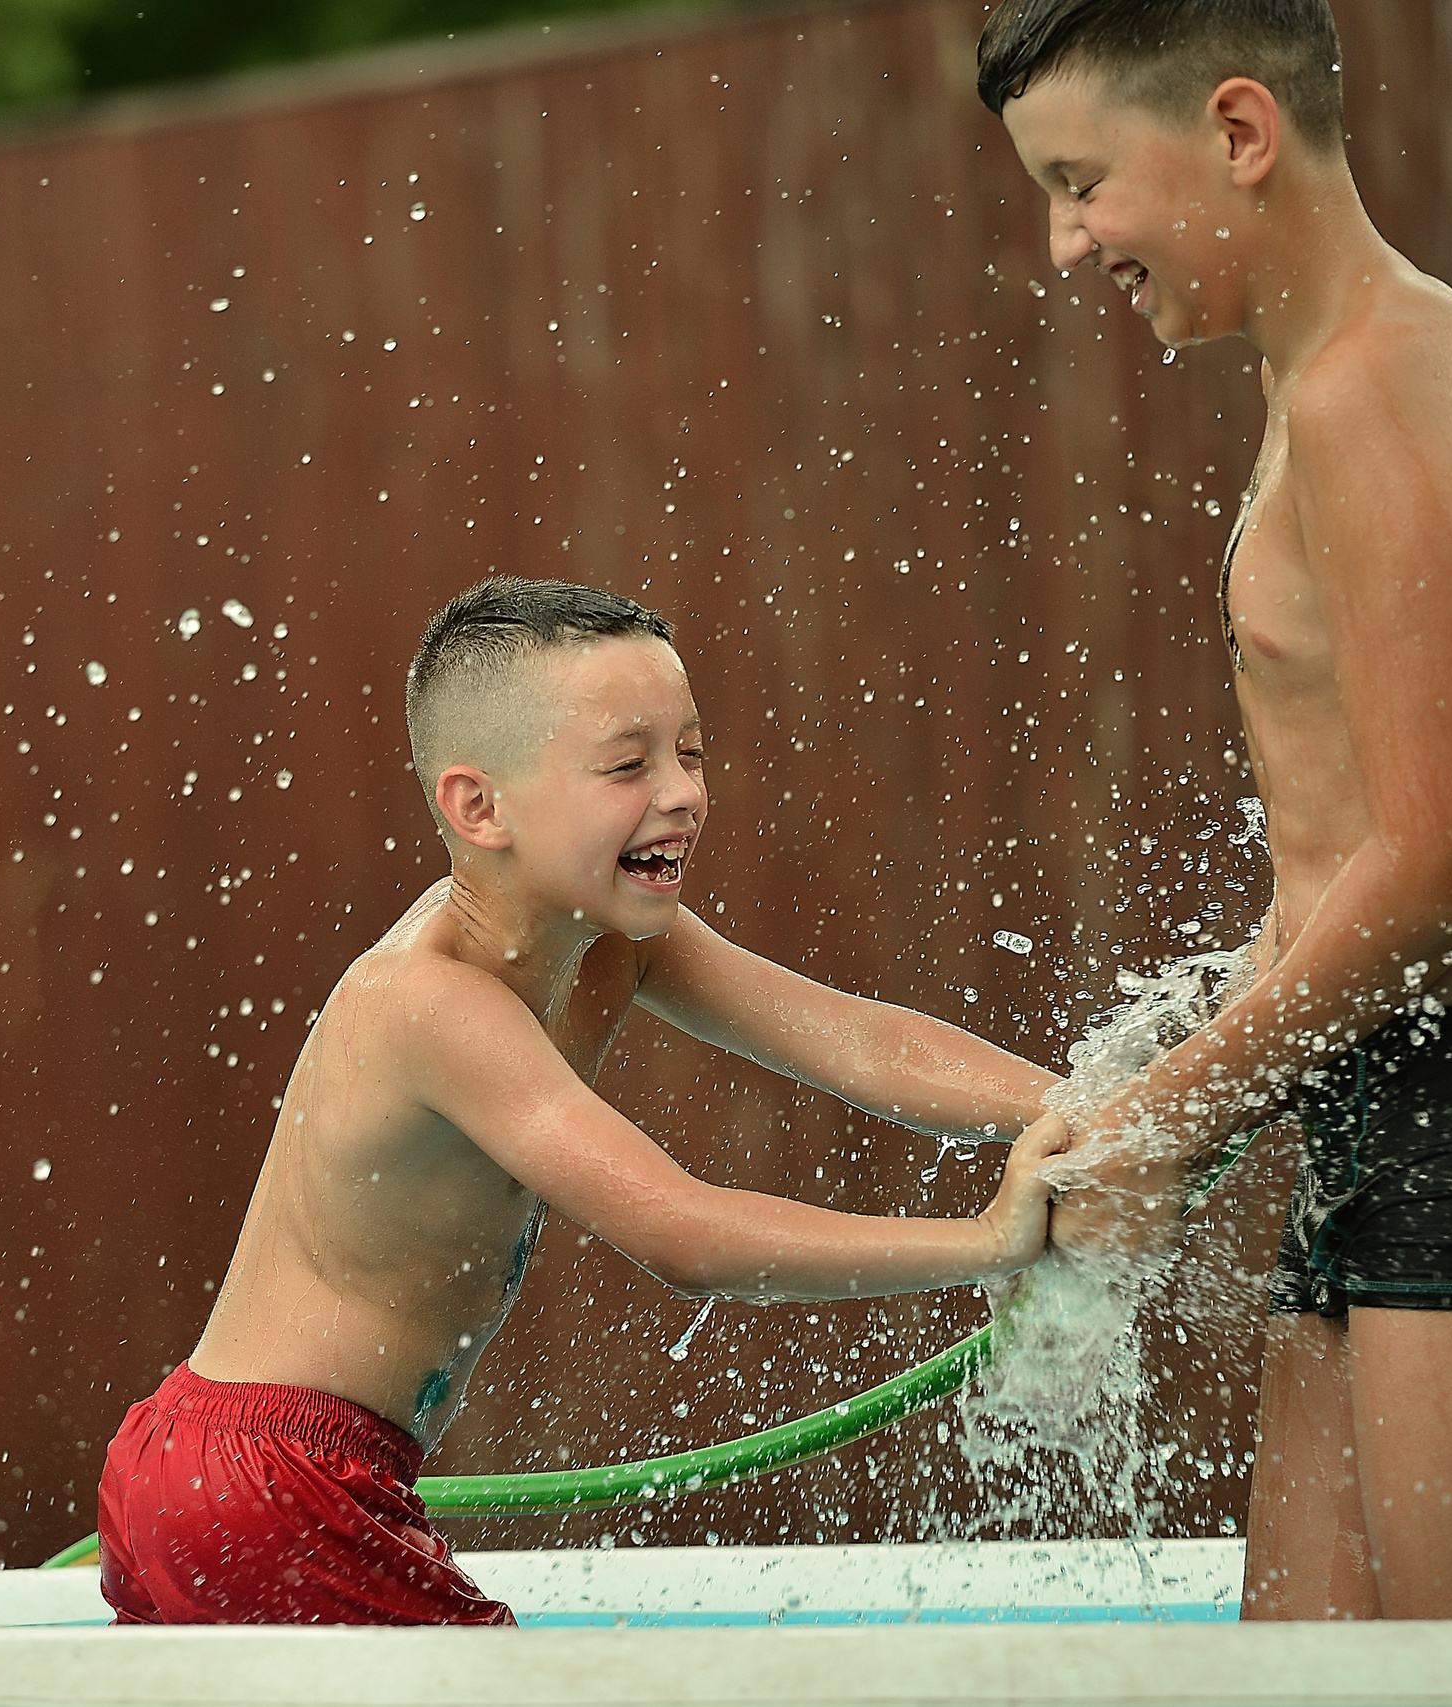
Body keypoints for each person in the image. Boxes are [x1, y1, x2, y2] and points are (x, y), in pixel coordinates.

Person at [977, 0, 1452, 1620]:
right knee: (1305, 1667)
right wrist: (1149, 1098)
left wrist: (1173, 1119)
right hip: (1416, 1076)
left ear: (1238, 134)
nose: (1066, 238)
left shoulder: (1376, 379)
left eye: (1083, 180)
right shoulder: (1332, 373)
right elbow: (1346, 860)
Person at [97, 576, 1072, 1625]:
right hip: (264, 1475)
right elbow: (683, 1231)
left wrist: (1091, 1109)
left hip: (257, 1472)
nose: (684, 792)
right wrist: (987, 1242)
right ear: (479, 807)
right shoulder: (426, 1003)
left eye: (690, 753)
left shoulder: (610, 939)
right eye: (627, 765)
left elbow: (858, 1040)